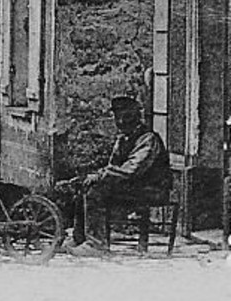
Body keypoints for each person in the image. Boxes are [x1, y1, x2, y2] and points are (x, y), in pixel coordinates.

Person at [58, 95, 172, 255]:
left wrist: (100, 176)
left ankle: (96, 245)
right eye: (118, 117)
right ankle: (80, 238)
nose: (120, 122)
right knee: (86, 187)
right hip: (133, 186)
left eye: (125, 117)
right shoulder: (123, 138)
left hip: (152, 189)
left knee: (96, 192)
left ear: (134, 117)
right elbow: (113, 166)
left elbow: (131, 170)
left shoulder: (148, 139)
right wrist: (95, 176)